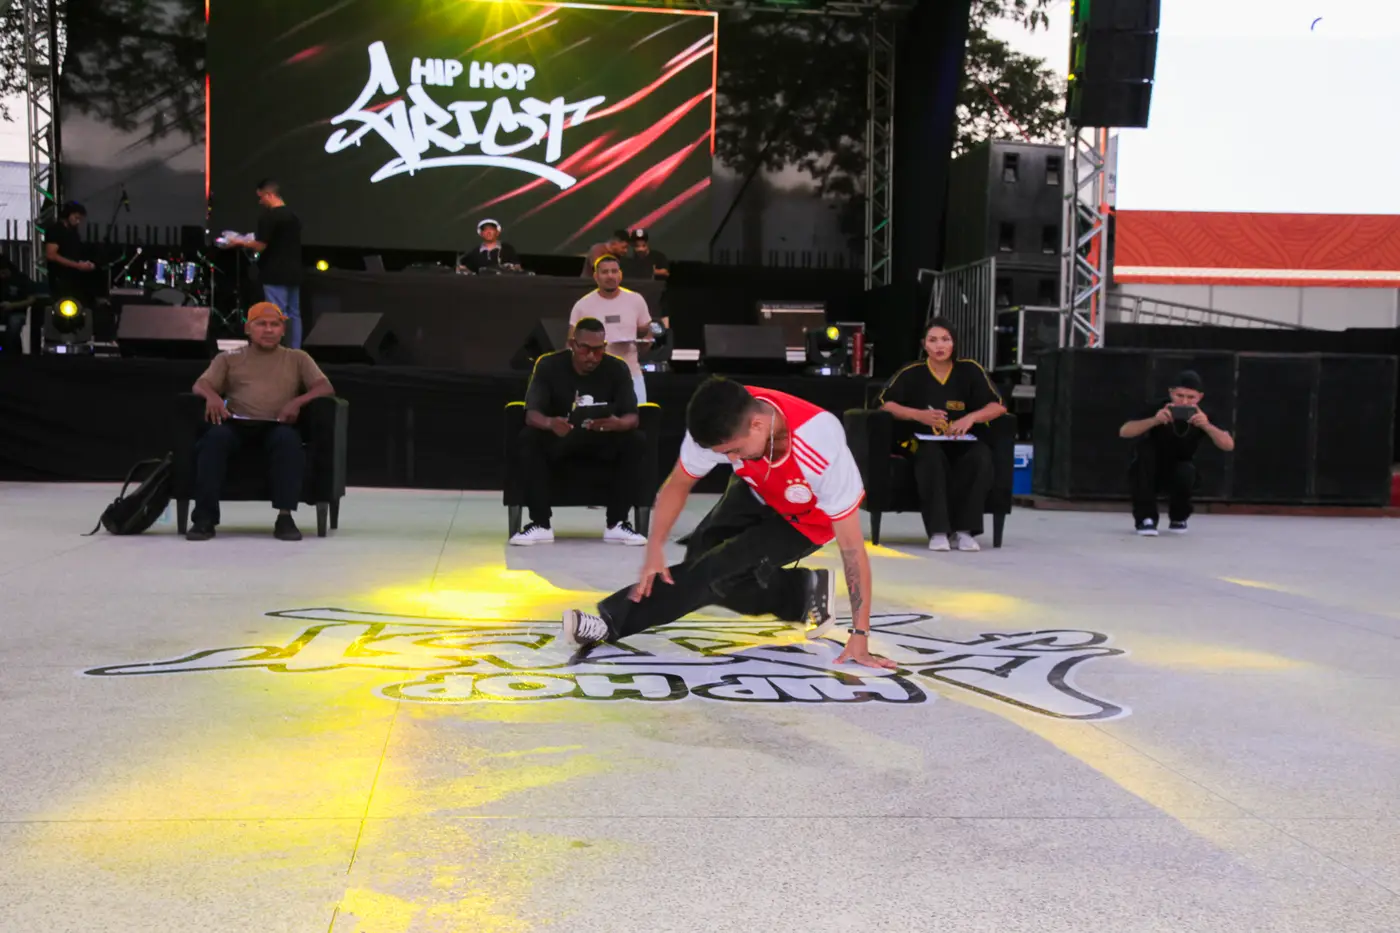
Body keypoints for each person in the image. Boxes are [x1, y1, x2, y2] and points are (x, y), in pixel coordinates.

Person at [559, 376, 897, 673]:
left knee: (713, 572)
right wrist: (654, 548)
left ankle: (609, 622)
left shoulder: (820, 445)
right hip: (756, 488)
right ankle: (803, 592)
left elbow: (852, 549)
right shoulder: (720, 418)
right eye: (725, 453)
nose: (730, 459)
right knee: (702, 558)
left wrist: (860, 635)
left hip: (806, 520)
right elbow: (678, 483)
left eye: (734, 450)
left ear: (758, 425)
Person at [187, 302, 335, 542]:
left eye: (275, 324)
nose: (268, 330)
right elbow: (200, 384)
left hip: (277, 424)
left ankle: (285, 518)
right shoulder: (229, 358)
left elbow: (324, 387)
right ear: (248, 328)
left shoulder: (297, 358)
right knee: (213, 439)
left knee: (288, 441)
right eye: (261, 324)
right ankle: (204, 519)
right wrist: (213, 396)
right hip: (236, 423)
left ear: (283, 330)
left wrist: (297, 401)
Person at [512, 316, 648, 547]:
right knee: (529, 438)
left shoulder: (617, 368)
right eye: (585, 349)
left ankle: (616, 524)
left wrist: (617, 423)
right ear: (572, 345)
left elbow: (632, 416)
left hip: (601, 439)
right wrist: (550, 423)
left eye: (598, 349)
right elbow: (531, 414)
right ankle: (541, 524)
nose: (592, 356)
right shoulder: (548, 365)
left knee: (635, 439)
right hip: (560, 440)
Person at [878, 318, 1006, 552]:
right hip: (921, 441)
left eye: (945, 340)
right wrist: (918, 415)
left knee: (980, 456)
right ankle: (938, 532)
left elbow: (997, 406)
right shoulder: (911, 372)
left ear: (954, 343)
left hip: (961, 440)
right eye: (933, 340)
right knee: (930, 457)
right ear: (924, 345)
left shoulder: (970, 370)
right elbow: (885, 404)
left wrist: (970, 418)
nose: (940, 346)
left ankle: (965, 532)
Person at [1118, 369, 1234, 536]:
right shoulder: (1156, 407)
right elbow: (1125, 431)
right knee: (1143, 461)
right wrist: (1155, 420)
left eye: (1191, 397)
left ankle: (1179, 517)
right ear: (1171, 393)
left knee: (1186, 471)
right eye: (1180, 396)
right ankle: (1146, 519)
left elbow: (1228, 445)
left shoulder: (1205, 413)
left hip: (1180, 464)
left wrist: (1206, 425)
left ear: (1200, 397)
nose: (1184, 401)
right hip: (1150, 464)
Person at [222, 180, 304, 348]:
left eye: (261, 197)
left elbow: (260, 245)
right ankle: (295, 349)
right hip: (294, 272)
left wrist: (238, 241)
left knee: (278, 312)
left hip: (274, 272)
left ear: (269, 195)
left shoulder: (269, 217)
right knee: (294, 313)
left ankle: (280, 350)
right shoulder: (294, 216)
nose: (260, 202)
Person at [569, 255, 654, 403]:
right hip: (594, 377)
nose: (610, 276)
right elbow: (571, 343)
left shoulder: (636, 300)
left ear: (620, 275)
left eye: (614, 271)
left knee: (636, 415)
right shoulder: (582, 305)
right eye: (605, 272)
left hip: (631, 374)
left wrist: (642, 342)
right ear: (596, 276)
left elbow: (647, 336)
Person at [43, 201, 97, 306]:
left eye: (80, 219)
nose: (78, 221)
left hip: (74, 277)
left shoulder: (73, 232)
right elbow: (51, 255)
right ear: (68, 215)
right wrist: (77, 265)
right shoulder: (55, 230)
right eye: (76, 218)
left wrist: (84, 263)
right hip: (59, 277)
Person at [0, 256, 41, 356]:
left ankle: (12, 354)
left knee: (14, 323)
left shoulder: (21, 279)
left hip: (18, 312)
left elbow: (31, 300)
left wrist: (13, 305)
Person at [581, 229, 649, 280]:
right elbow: (600, 270)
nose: (626, 251)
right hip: (588, 285)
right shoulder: (597, 249)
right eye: (623, 247)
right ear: (614, 244)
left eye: (627, 248)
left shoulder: (619, 255)